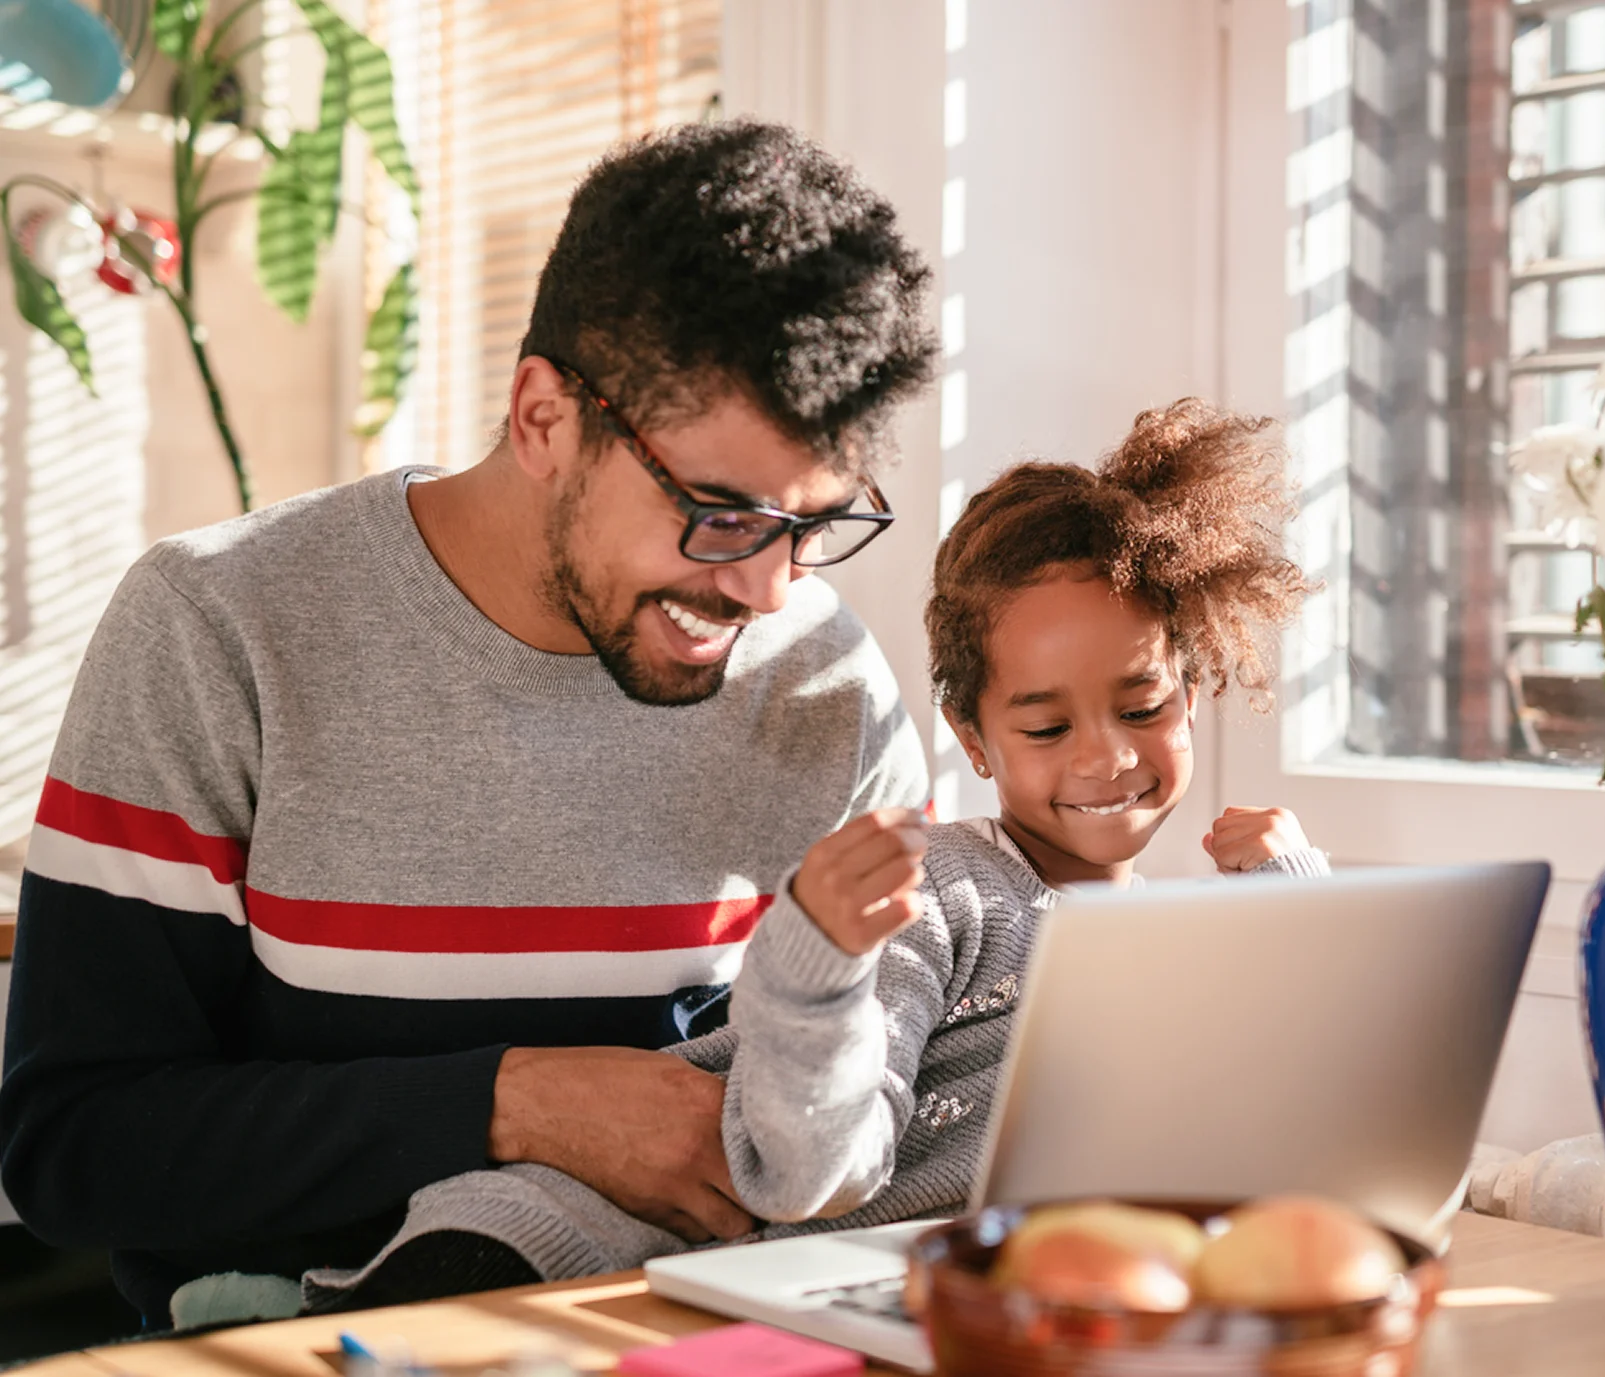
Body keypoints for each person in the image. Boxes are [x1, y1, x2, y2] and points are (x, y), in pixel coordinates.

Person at [0, 119, 938, 1328]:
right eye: (720, 514)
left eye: (814, 523)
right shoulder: (221, 627)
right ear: (545, 418)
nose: (768, 588)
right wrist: (517, 1103)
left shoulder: (822, 685)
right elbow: (75, 1148)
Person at [303, 398, 1324, 1301]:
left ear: (1191, 696)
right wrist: (817, 961)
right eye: (1046, 729)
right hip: (572, 1236)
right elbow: (812, 1174)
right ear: (972, 739)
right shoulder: (947, 890)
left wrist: (1298, 919)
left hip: (845, 1292)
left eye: (1141, 706)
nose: (1105, 758)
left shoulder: (1192, 945)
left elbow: (1318, 1144)